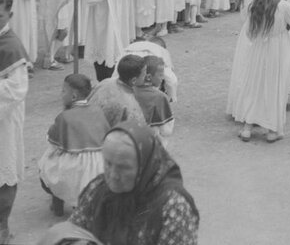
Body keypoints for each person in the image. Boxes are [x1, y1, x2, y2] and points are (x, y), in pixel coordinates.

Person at [39, 121, 199, 245]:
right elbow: (73, 231)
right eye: (108, 163)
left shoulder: (173, 206)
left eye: (124, 167)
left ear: (146, 166)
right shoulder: (98, 190)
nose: (113, 175)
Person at [228, 0, 290, 142]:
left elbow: (249, 33)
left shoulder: (255, 5)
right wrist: (285, 27)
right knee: (275, 87)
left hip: (258, 50)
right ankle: (272, 130)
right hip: (279, 49)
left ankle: (247, 128)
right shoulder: (284, 6)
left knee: (255, 86)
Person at [38, 74, 110, 215]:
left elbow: (52, 141)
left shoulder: (64, 117)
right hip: (100, 169)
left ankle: (57, 203)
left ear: (73, 96)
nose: (61, 94)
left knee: (45, 164)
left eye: (63, 91)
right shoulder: (98, 111)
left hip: (76, 172)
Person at [0, 0, 29, 245]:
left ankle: (1, 224)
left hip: (2, 119)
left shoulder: (12, 45)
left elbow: (18, 89)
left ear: (10, 14)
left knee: (3, 170)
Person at [88, 54, 147, 128]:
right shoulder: (130, 104)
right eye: (144, 74)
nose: (146, 76)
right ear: (134, 80)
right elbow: (137, 131)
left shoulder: (104, 82)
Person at [134, 56, 174, 149]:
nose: (162, 78)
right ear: (148, 77)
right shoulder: (159, 97)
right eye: (160, 75)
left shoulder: (129, 89)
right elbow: (166, 131)